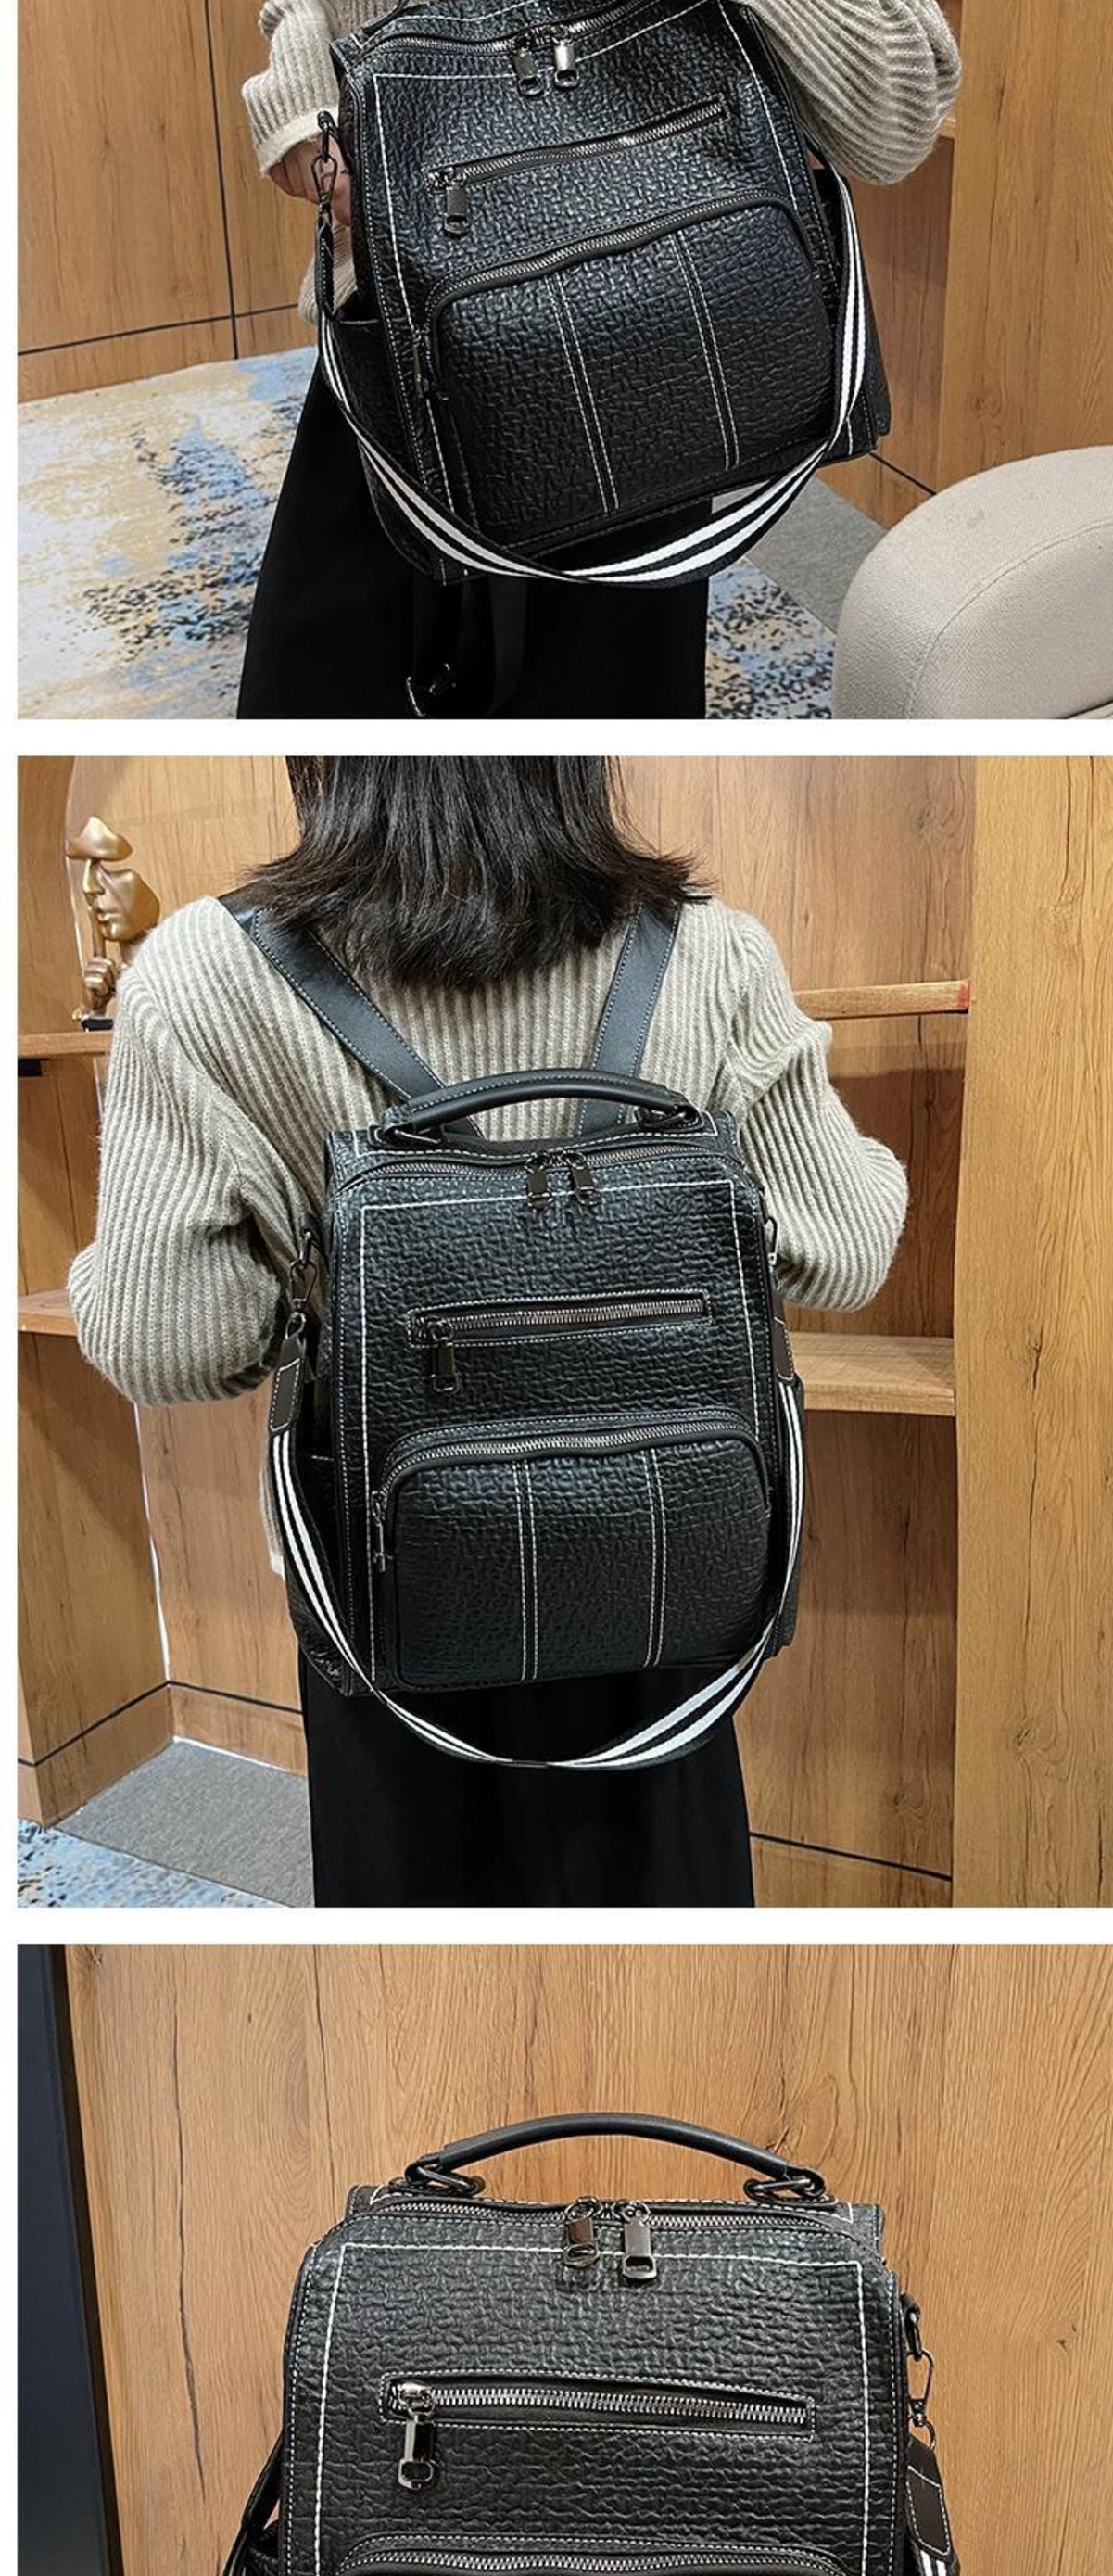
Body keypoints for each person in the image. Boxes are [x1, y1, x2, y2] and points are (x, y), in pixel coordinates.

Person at [70, 757, 910, 1911]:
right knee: (670, 1927)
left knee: (411, 1937)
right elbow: (844, 1248)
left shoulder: (202, 974)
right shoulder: (710, 950)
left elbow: (166, 1344)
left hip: (387, 1589)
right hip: (668, 1564)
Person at [236, 0, 960, 720]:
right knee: (314, 721)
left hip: (635, 377)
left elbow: (896, 102)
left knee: (584, 766)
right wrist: (298, 106)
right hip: (389, 354)